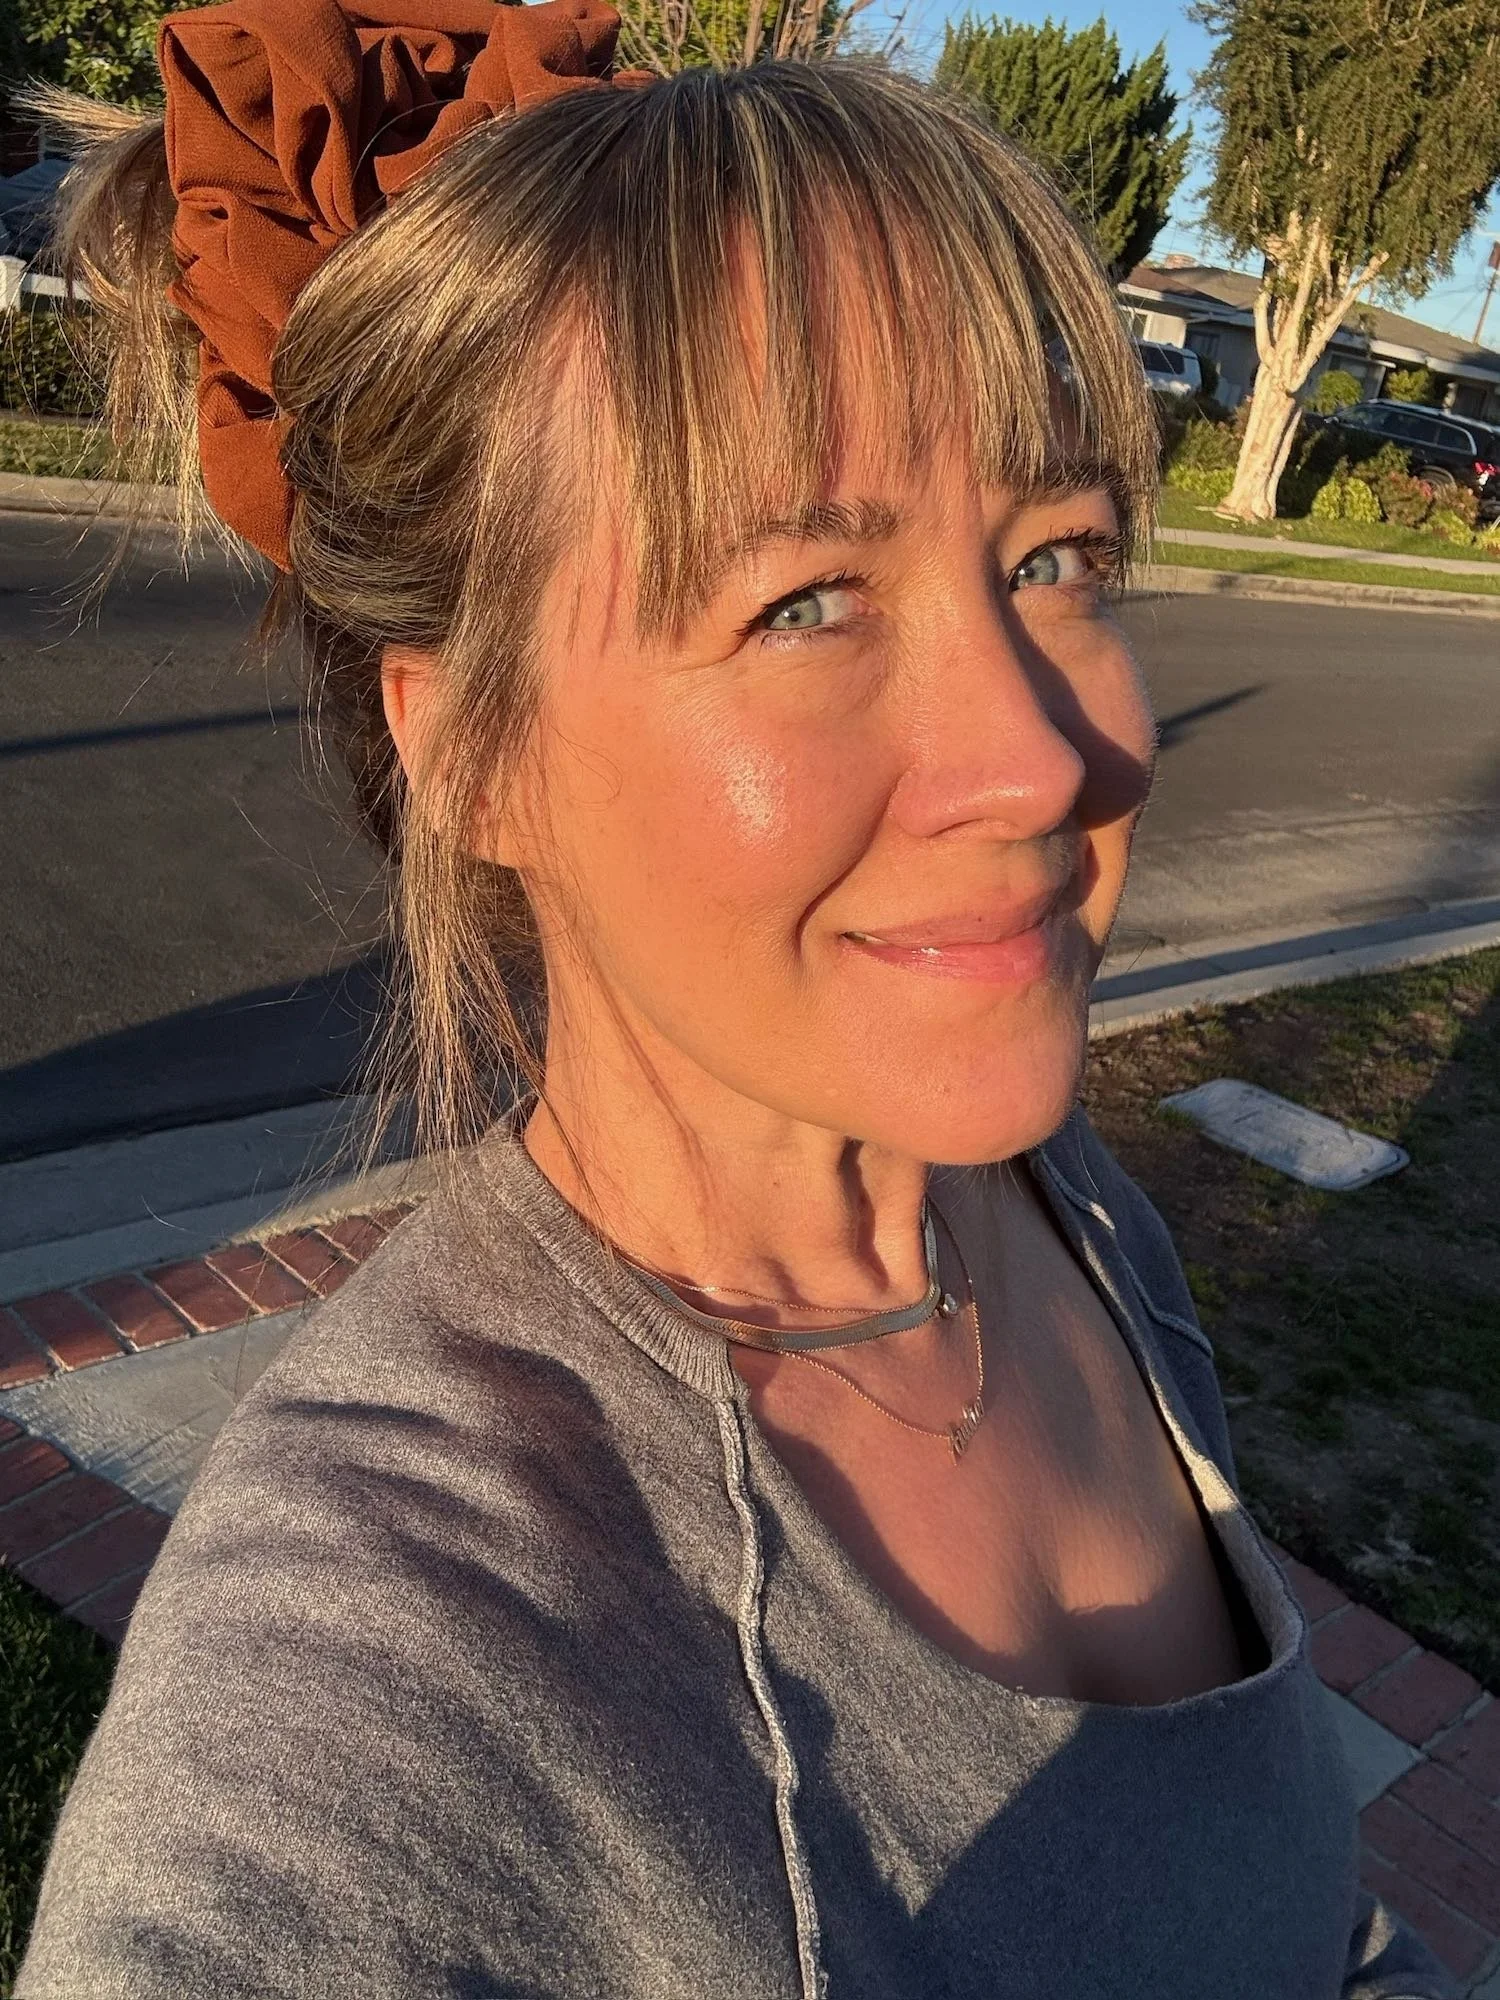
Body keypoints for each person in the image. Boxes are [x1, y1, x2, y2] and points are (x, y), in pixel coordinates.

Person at [17, 4, 1450, 1995]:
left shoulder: (1060, 1210)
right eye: (804, 602)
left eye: (1056, 556)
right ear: (470, 750)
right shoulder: (378, 1664)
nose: (1039, 762)